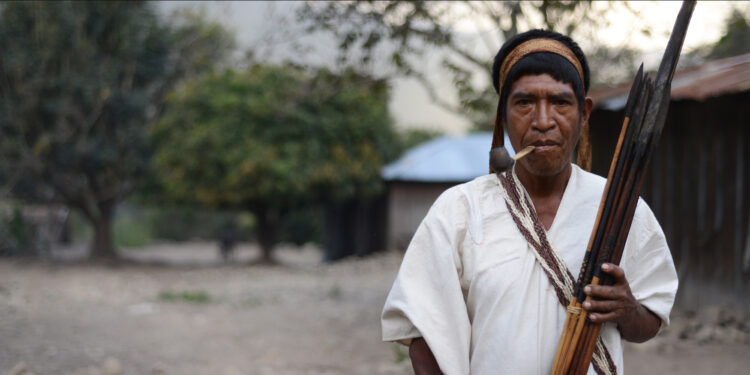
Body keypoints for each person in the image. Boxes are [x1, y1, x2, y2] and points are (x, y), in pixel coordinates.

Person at [381, 29, 678, 375]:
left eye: (560, 102)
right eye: (524, 103)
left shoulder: (620, 207)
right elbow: (425, 334)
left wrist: (627, 310)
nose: (542, 121)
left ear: (584, 114)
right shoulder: (460, 210)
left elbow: (650, 319)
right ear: (502, 115)